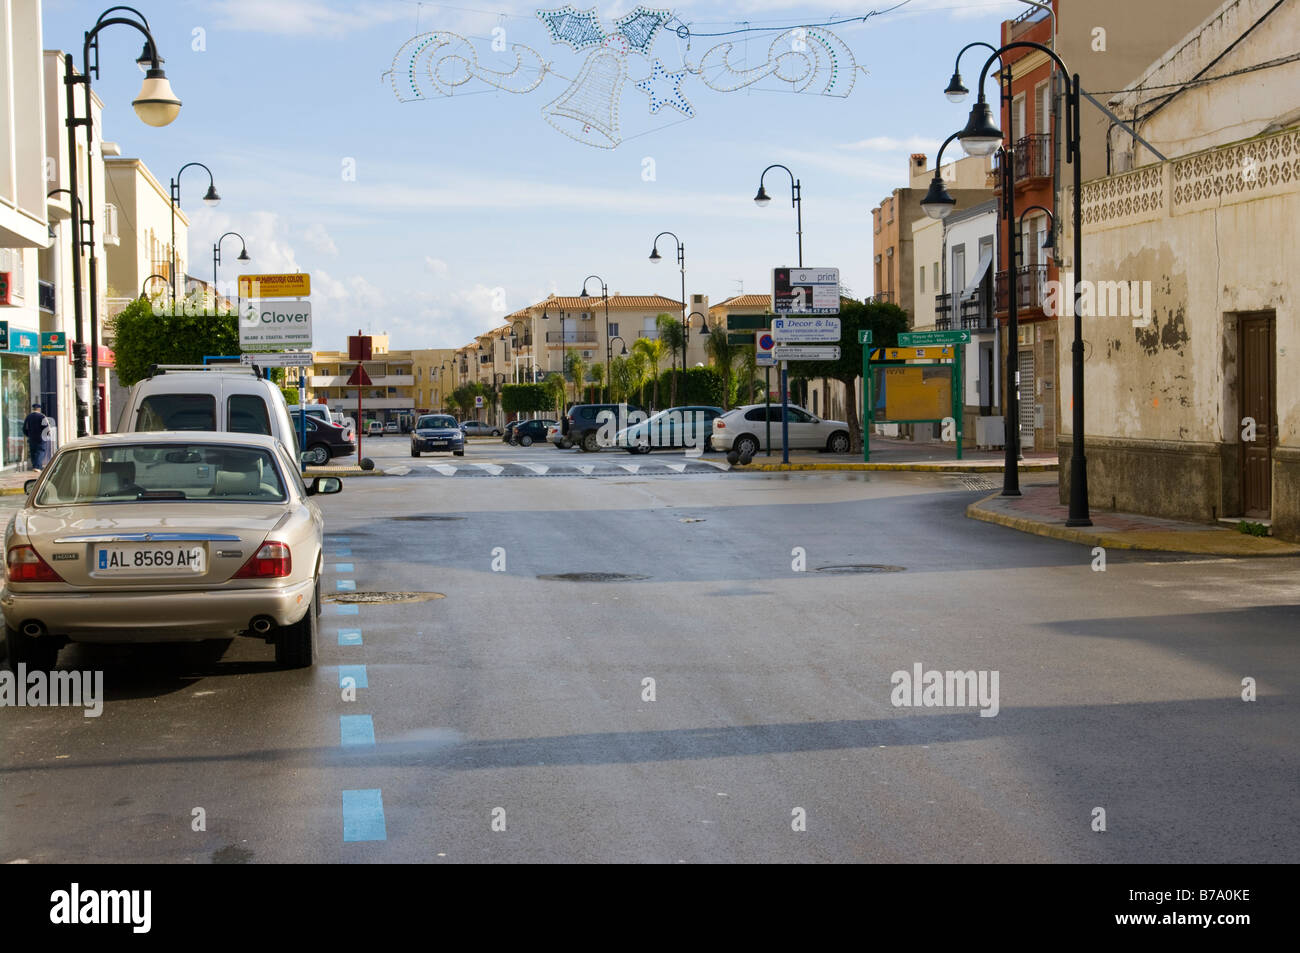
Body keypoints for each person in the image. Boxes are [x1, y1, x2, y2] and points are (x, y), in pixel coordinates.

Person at [22, 403, 51, 470]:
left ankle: (35, 465)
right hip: (41, 439)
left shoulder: (28, 417)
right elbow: (46, 428)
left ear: (33, 409)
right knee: (40, 452)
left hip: (32, 438)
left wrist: (28, 435)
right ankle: (37, 467)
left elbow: (24, 428)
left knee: (33, 452)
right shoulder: (42, 417)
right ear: (39, 409)